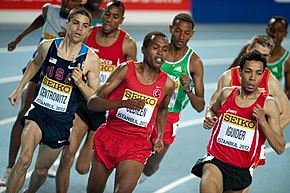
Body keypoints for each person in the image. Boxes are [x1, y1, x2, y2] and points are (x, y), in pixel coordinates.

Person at [5, 7, 100, 193]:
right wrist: (19, 88)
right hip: (39, 112)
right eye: (76, 23)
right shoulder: (48, 46)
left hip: (61, 122)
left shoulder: (91, 59)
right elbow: (35, 64)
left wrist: (81, 83)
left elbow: (93, 99)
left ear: (88, 30)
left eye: (85, 26)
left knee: (41, 170)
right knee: (24, 159)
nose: (79, 28)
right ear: (68, 24)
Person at [56, 1, 137, 192]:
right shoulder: (89, 32)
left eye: (115, 17)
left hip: (103, 111)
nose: (109, 19)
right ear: (104, 13)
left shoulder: (128, 44)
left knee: (83, 168)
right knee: (67, 154)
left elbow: (131, 78)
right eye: (107, 14)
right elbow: (70, 46)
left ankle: (89, 142)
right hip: (82, 104)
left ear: (121, 20)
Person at [86, 31, 175, 193]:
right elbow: (93, 102)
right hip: (110, 136)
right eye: (155, 48)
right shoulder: (125, 70)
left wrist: (160, 136)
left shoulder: (168, 84)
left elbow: (162, 110)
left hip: (137, 144)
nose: (160, 53)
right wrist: (123, 103)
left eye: (164, 49)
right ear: (144, 49)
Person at [191, 50, 286, 193]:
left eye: (258, 73)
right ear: (240, 72)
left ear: (263, 75)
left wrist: (262, 122)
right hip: (215, 161)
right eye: (248, 71)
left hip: (240, 169)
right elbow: (212, 109)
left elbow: (280, 148)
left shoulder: (268, 105)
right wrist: (210, 117)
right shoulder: (226, 94)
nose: (252, 78)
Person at [140, 13, 205, 182]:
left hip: (170, 117)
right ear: (171, 29)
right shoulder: (157, 51)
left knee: (150, 168)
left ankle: (148, 170)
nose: (181, 36)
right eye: (177, 31)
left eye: (186, 32)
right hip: (146, 110)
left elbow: (200, 106)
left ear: (192, 34)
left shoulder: (194, 63)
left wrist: (188, 89)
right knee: (133, 158)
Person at [229, 16, 290, 99]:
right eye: (272, 29)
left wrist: (278, 104)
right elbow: (231, 73)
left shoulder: (286, 60)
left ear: (285, 33)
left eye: (279, 31)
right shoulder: (251, 48)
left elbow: (288, 90)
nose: (275, 34)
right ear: (267, 30)